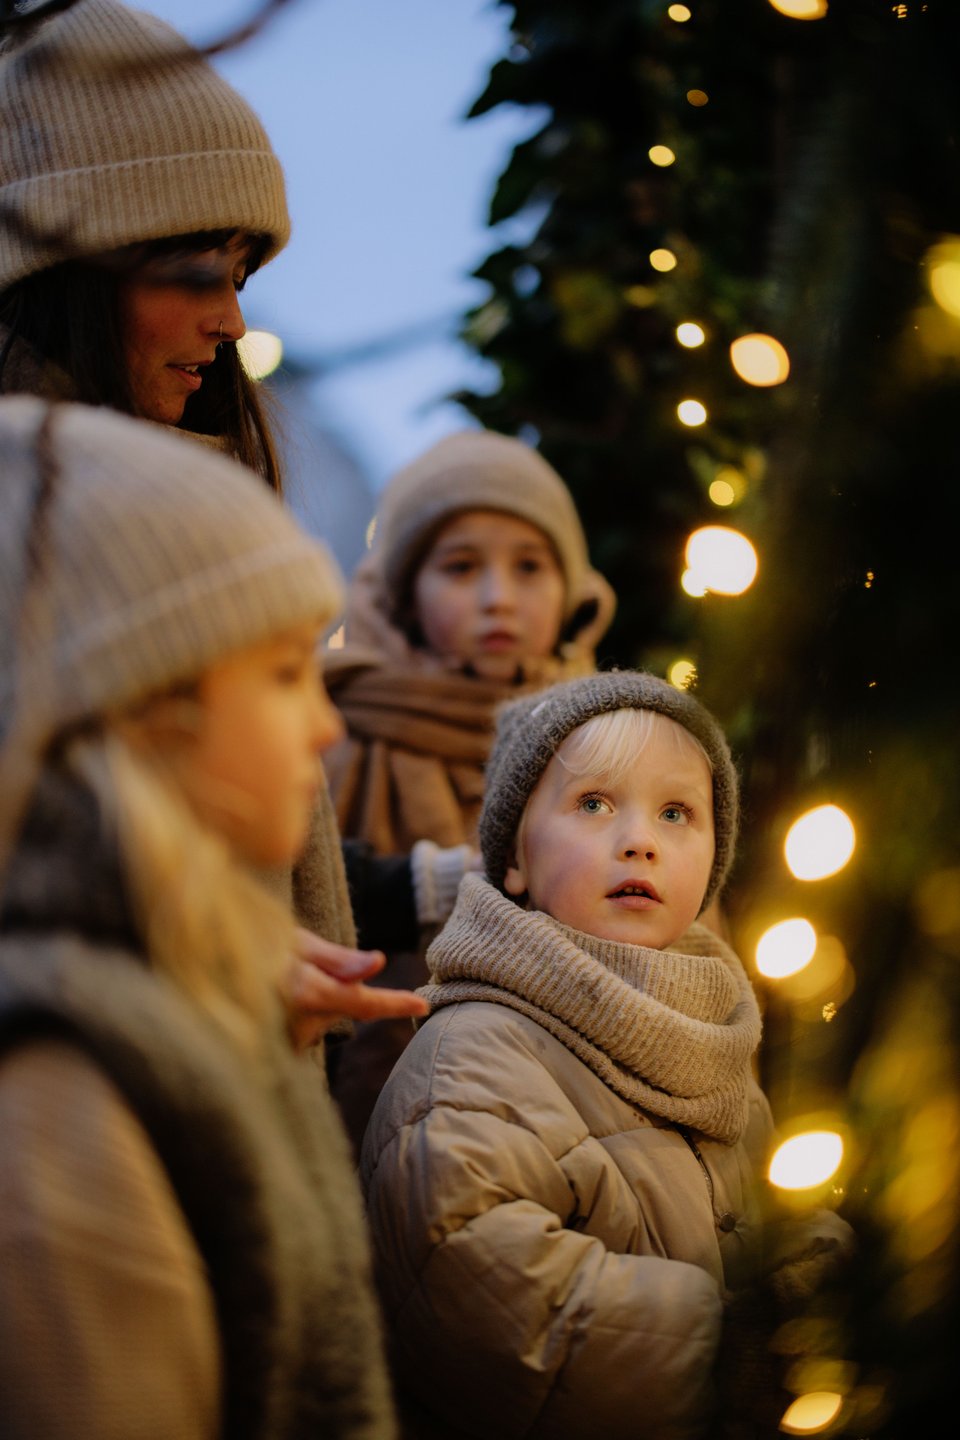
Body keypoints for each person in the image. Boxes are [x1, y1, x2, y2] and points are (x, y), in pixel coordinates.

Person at [0, 395, 425, 1438]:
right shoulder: (62, 1112)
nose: (327, 724)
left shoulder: (172, 1006)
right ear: (147, 708)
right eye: (284, 673)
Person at [0, 0, 410, 1013]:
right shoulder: (35, 547)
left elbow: (257, 850)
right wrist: (193, 952)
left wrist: (451, 890)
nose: (231, 319)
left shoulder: (192, 507)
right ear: (63, 273)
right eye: (194, 271)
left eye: (239, 276)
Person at [360, 670, 852, 1440]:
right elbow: (485, 1290)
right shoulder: (470, 1056)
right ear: (514, 860)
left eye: (677, 812)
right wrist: (735, 1348)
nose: (640, 840)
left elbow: (782, 1212)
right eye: (593, 803)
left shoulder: (712, 1032)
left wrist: (838, 1303)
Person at [323, 427, 616, 1151]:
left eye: (529, 567)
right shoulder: (335, 737)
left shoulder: (612, 741)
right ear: (402, 593)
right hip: (384, 1132)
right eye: (460, 567)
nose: (498, 599)